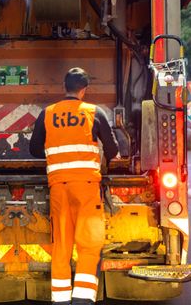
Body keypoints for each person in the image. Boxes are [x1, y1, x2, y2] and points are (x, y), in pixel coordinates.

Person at [29, 67, 120, 305]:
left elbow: (34, 149)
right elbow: (112, 149)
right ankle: (82, 298)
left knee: (61, 243)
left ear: (64, 87)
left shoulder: (48, 113)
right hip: (87, 187)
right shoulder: (93, 112)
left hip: (59, 186)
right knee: (89, 242)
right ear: (84, 90)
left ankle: (60, 299)